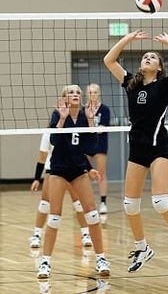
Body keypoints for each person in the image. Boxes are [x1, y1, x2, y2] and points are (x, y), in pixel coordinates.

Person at [104, 30, 168, 272]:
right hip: (137, 150)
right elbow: (109, 61)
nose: (147, 58)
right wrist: (127, 40)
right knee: (129, 206)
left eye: (153, 57)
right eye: (145, 56)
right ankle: (143, 248)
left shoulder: (165, 85)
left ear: (159, 67)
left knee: (160, 202)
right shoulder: (131, 83)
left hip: (159, 149)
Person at [37, 85, 110, 279]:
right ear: (65, 98)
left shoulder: (86, 116)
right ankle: (45, 262)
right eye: (71, 92)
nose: (76, 95)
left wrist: (92, 121)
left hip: (78, 170)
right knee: (54, 217)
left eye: (78, 92)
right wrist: (61, 119)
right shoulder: (57, 115)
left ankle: (101, 258)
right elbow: (54, 141)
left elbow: (91, 147)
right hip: (58, 171)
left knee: (93, 215)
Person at [30, 132, 92, 250]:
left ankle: (85, 234)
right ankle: (36, 235)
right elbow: (42, 157)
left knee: (78, 204)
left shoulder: (73, 130)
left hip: (73, 169)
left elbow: (81, 152)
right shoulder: (48, 134)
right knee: (45, 204)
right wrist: (37, 179)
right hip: (53, 170)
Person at [85, 83, 110, 215]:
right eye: (90, 92)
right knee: (85, 173)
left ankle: (103, 203)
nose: (92, 94)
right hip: (87, 144)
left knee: (101, 173)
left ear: (98, 93)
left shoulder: (104, 109)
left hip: (100, 144)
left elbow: (100, 130)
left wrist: (91, 125)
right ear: (86, 94)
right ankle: (87, 202)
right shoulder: (83, 109)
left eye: (95, 92)